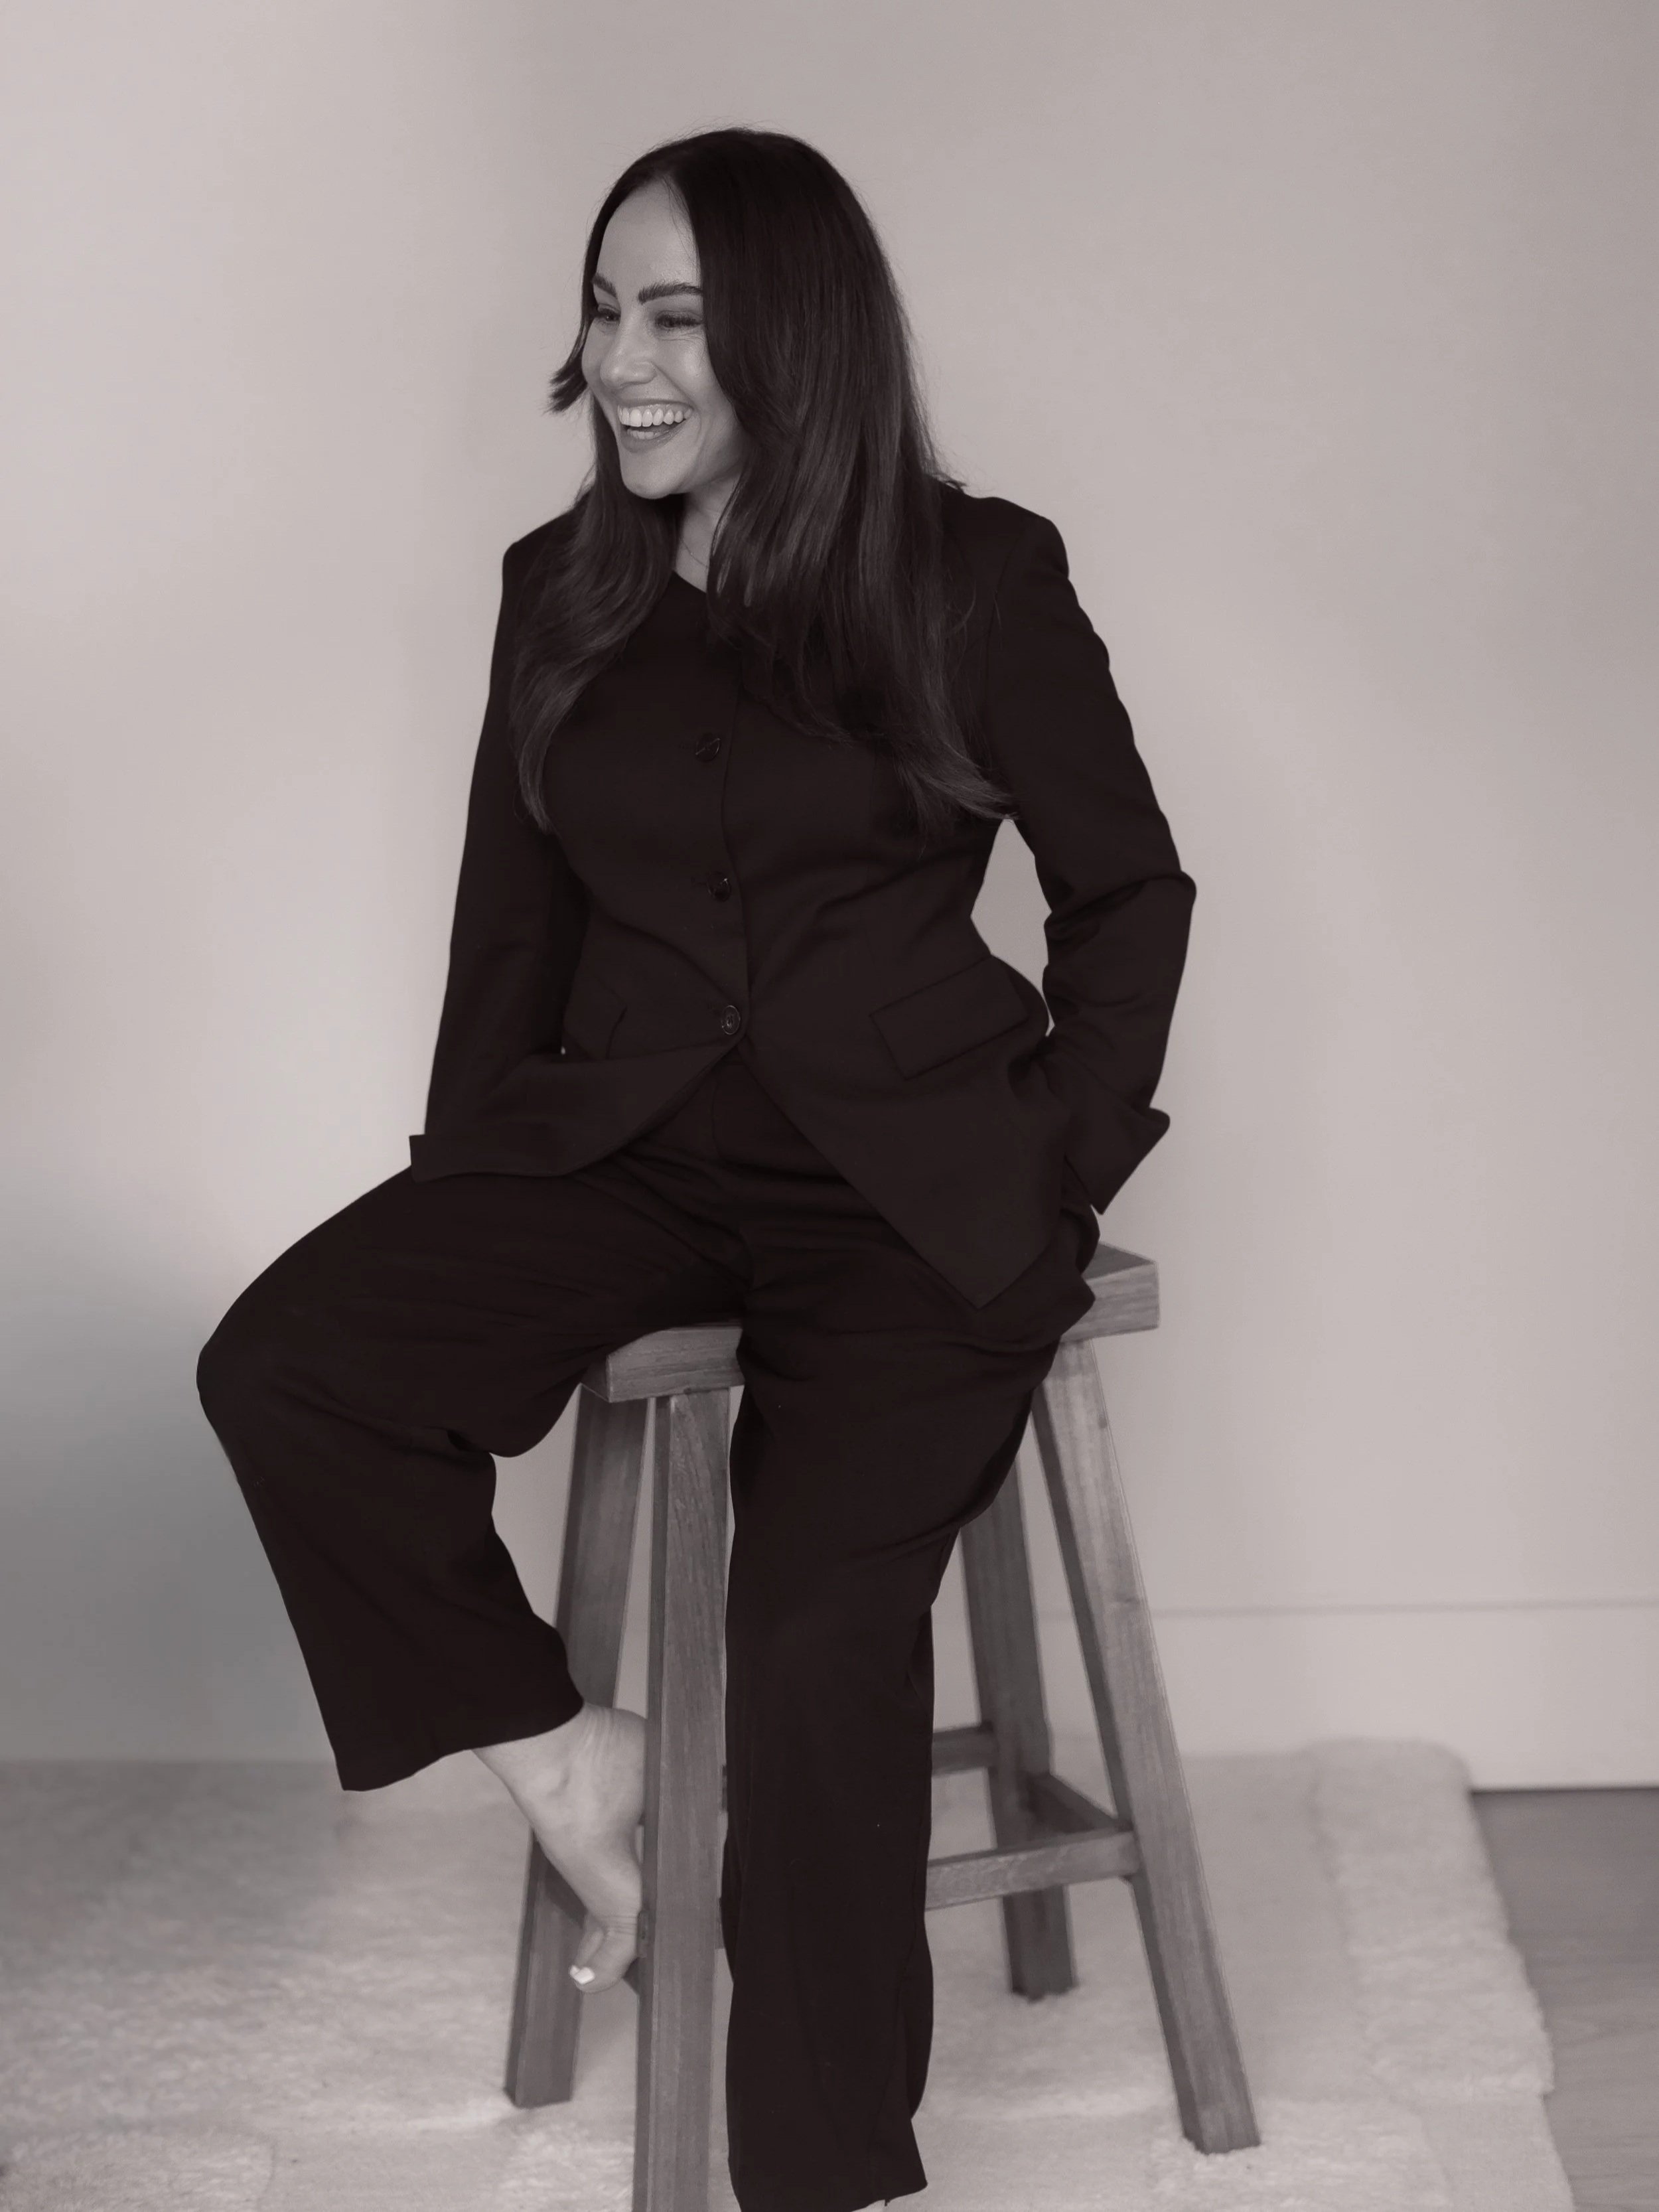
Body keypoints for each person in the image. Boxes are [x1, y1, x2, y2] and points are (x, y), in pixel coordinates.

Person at [196, 126, 1195, 2212]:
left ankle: (822, 2178)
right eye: (601, 311)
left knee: (818, 1639)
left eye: (672, 319)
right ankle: (579, 1763)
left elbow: (1126, 889)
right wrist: (466, 1203)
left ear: (795, 342)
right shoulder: (555, 591)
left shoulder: (974, 574)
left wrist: (1059, 1168)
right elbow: (513, 932)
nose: (621, 364)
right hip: (628, 1145)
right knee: (287, 1363)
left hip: (911, 1186)